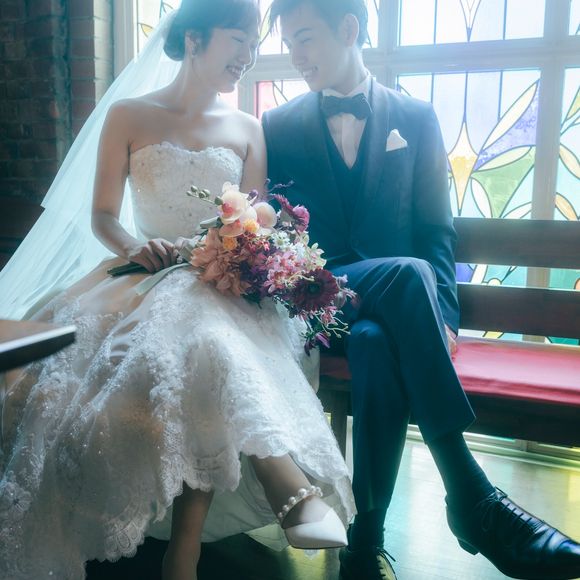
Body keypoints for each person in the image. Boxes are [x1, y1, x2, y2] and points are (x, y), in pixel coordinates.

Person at [0, 2, 355, 579]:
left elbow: (253, 221)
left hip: (220, 281)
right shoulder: (128, 115)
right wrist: (134, 246)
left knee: (206, 333)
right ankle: (279, 488)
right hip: (143, 275)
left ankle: (187, 550)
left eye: (254, 44)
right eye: (238, 39)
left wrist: (243, 248)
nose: (248, 56)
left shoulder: (248, 129)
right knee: (198, 336)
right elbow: (103, 215)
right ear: (193, 39)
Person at [263, 1, 580, 579]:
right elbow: (274, 234)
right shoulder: (277, 126)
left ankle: (364, 544)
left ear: (349, 29)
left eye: (304, 38)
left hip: (389, 320)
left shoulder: (417, 117)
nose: (296, 56)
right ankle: (471, 494)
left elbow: (437, 231)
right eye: (288, 44)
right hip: (318, 306)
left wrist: (445, 320)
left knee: (375, 343)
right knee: (409, 275)